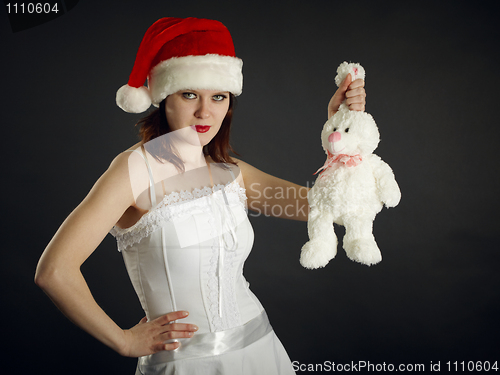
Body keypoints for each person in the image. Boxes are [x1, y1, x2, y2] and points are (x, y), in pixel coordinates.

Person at [35, 17, 366, 374]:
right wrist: (123, 340)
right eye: (189, 94)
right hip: (184, 364)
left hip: (260, 350)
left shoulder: (229, 171)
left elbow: (331, 207)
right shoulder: (132, 171)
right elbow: (54, 271)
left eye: (218, 97)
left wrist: (342, 132)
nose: (205, 112)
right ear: (163, 96)